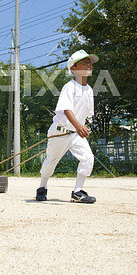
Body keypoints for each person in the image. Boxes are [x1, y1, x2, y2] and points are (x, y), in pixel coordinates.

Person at [36, 49, 98, 203]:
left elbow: (87, 113)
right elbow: (66, 109)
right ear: (73, 69)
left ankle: (77, 192)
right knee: (51, 162)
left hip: (76, 134)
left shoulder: (89, 90)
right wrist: (78, 126)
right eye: (83, 62)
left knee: (88, 158)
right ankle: (42, 187)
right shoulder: (69, 87)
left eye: (89, 62)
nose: (88, 64)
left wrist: (83, 127)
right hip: (60, 132)